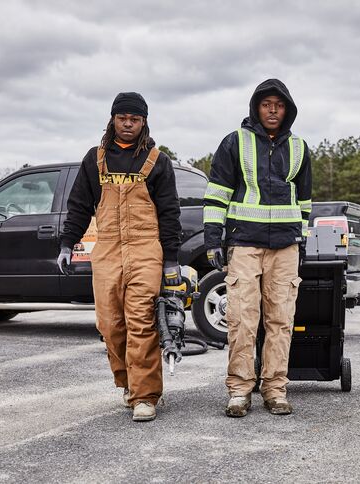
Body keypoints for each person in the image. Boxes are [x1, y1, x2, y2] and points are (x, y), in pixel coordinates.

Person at [58, 92, 182, 422]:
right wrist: (67, 243)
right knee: (110, 324)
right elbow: (80, 206)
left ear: (144, 122)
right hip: (108, 250)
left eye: (135, 119)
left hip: (145, 250)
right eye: (122, 117)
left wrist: (171, 260)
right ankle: (128, 384)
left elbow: (170, 213)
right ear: (113, 119)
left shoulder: (158, 160)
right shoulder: (95, 159)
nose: (128, 124)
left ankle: (146, 395)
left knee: (141, 321)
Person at [203, 79, 312, 418]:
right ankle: (239, 391)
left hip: (285, 246)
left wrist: (301, 239)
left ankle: (275, 389)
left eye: (278, 105)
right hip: (244, 243)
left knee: (281, 320)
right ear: (256, 107)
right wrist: (212, 239)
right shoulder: (234, 142)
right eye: (266, 104)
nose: (273, 110)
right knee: (241, 319)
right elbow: (217, 194)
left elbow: (305, 200)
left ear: (287, 109)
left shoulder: (299, 147)